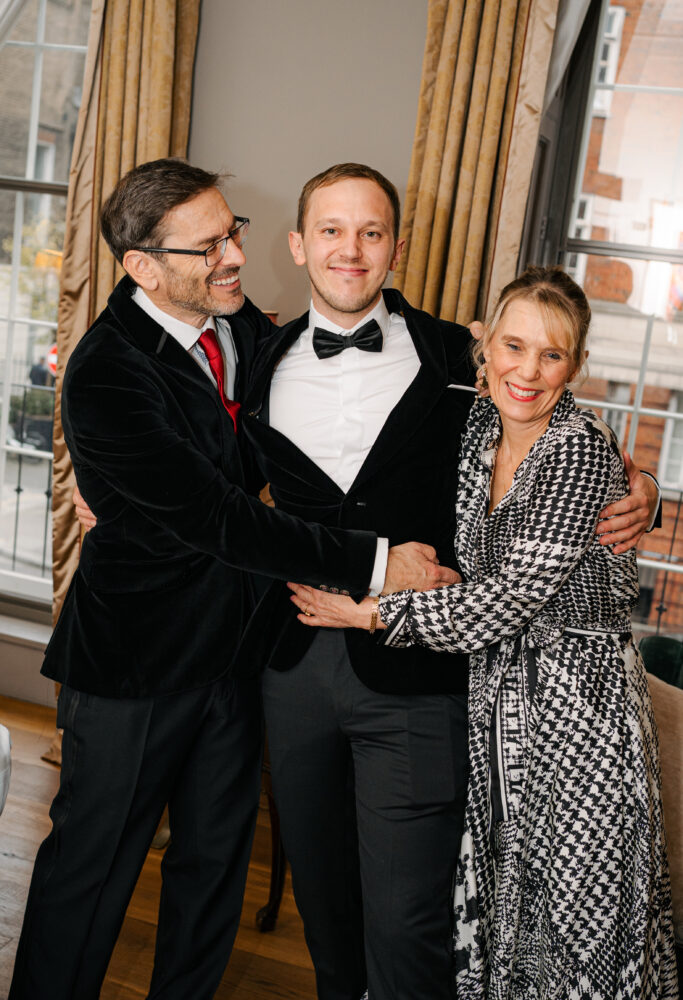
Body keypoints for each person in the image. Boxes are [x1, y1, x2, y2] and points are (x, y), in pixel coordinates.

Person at [74, 165, 659, 1000]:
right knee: (325, 910)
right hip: (292, 665)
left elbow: (549, 411)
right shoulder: (253, 349)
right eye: (332, 231)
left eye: (371, 232)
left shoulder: (460, 355)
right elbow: (196, 473)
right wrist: (108, 495)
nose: (351, 249)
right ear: (298, 244)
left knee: (408, 921)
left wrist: (636, 486)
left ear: (395, 247)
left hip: (419, 674)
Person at [8, 158, 450, 1000]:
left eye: (232, 231)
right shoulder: (104, 370)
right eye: (208, 246)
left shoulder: (248, 332)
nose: (233, 258)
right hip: (135, 666)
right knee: (90, 873)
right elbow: (217, 516)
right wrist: (374, 560)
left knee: (212, 870)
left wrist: (636, 488)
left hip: (241, 656)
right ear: (143, 265)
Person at [289, 266, 678, 999]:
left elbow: (509, 601)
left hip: (580, 719)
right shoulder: (473, 424)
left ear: (576, 365)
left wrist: (365, 611)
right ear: (484, 348)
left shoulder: (579, 450)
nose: (526, 371)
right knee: (510, 918)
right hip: (497, 707)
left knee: (578, 928)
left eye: (551, 354)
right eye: (513, 346)